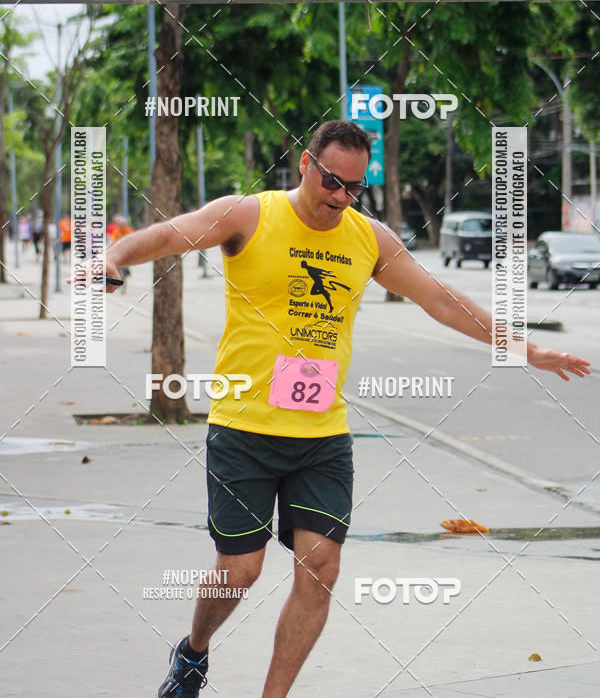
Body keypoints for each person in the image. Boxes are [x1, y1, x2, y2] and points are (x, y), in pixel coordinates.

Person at [99, 121, 590, 698]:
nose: (340, 196)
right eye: (332, 180)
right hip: (242, 428)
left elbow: (441, 299)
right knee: (240, 571)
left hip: (322, 435)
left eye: (354, 187)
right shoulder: (248, 215)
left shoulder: (368, 238)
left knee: (322, 568)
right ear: (305, 164)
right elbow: (170, 236)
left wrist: (526, 348)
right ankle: (193, 652)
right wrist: (115, 254)